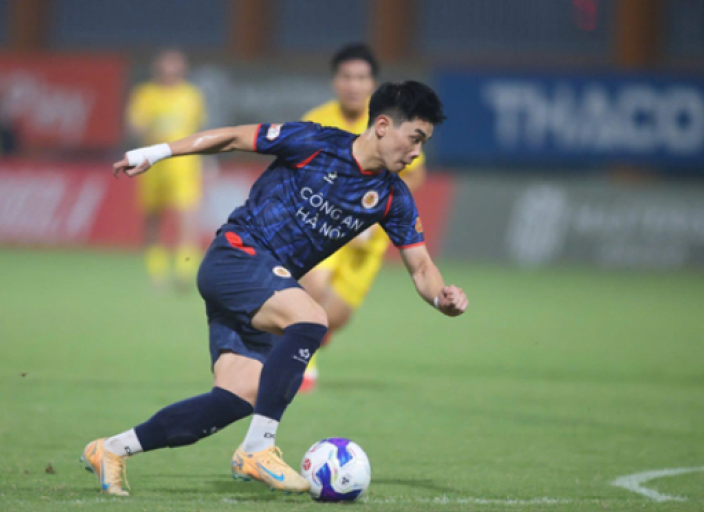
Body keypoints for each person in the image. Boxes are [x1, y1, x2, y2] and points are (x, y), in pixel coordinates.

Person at [82, 81, 469, 496]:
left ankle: (112, 449)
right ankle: (257, 449)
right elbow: (233, 138)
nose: (417, 152)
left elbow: (421, 267)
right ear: (383, 125)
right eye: (415, 138)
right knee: (312, 319)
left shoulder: (393, 197)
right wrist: (156, 152)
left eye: (424, 143)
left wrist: (441, 297)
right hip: (236, 255)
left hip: (262, 285)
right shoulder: (316, 142)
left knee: (235, 398)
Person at [299, 43, 427, 393]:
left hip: (368, 242)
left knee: (335, 318)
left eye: (361, 78)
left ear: (373, 83)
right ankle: (301, 367)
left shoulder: (395, 124)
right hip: (324, 225)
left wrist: (374, 215)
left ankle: (306, 341)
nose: (353, 85)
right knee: (312, 286)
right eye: (346, 77)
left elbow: (415, 175)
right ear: (335, 81)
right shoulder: (316, 120)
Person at [124, 49, 206, 288]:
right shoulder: (145, 94)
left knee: (187, 216)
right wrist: (144, 127)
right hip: (152, 164)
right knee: (152, 218)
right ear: (157, 68)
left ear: (183, 69)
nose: (171, 71)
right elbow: (134, 125)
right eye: (166, 66)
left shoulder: (191, 96)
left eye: (175, 66)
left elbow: (199, 131)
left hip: (183, 165)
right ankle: (157, 273)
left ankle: (184, 271)